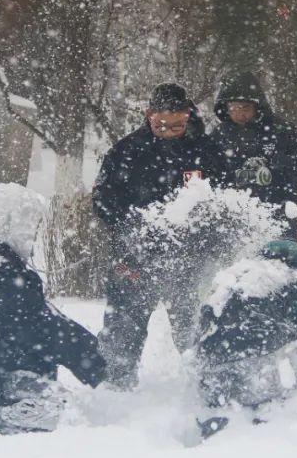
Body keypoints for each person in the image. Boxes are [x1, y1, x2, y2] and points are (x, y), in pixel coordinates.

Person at [92, 83, 233, 390]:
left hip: (190, 260)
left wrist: (206, 237)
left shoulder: (208, 153)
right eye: (161, 124)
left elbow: (227, 201)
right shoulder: (126, 151)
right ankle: (116, 391)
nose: (168, 130)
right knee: (123, 328)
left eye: (177, 124)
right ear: (148, 115)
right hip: (134, 258)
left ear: (189, 115)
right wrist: (133, 227)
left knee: (196, 327)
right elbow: (102, 199)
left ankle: (207, 388)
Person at [0, 183, 106, 436]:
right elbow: (39, 329)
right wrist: (93, 360)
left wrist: (91, 353)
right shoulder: (5, 272)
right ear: (9, 223)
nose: (33, 233)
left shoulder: (3, 262)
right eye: (29, 224)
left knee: (57, 405)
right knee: (58, 409)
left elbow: (45, 319)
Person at [194, 239, 297, 438]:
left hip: (211, 377)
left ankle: (219, 416)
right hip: (258, 378)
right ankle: (288, 424)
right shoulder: (295, 280)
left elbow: (201, 332)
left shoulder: (230, 277)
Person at [211, 70, 297, 239]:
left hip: (279, 215)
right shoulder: (219, 136)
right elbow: (207, 175)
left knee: (278, 263)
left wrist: (284, 161)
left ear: (257, 106)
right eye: (233, 107)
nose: (239, 114)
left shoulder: (283, 131)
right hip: (231, 220)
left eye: (245, 107)